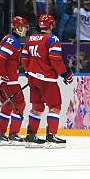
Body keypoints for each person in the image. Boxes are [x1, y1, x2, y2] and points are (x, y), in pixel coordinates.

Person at [23, 14, 74, 148]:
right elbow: (55, 60)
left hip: (33, 78)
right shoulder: (52, 39)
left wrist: (29, 71)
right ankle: (51, 137)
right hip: (47, 80)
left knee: (37, 107)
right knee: (55, 106)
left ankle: (31, 136)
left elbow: (24, 58)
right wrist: (65, 73)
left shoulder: (30, 39)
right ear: (51, 25)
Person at [0, 16, 29, 146]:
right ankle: (13, 134)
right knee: (20, 104)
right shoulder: (12, 41)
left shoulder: (9, 38)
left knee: (7, 107)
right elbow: (0, 58)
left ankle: (0, 134)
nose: (25, 30)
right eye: (24, 27)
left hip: (6, 80)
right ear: (17, 28)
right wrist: (2, 75)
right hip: (10, 81)